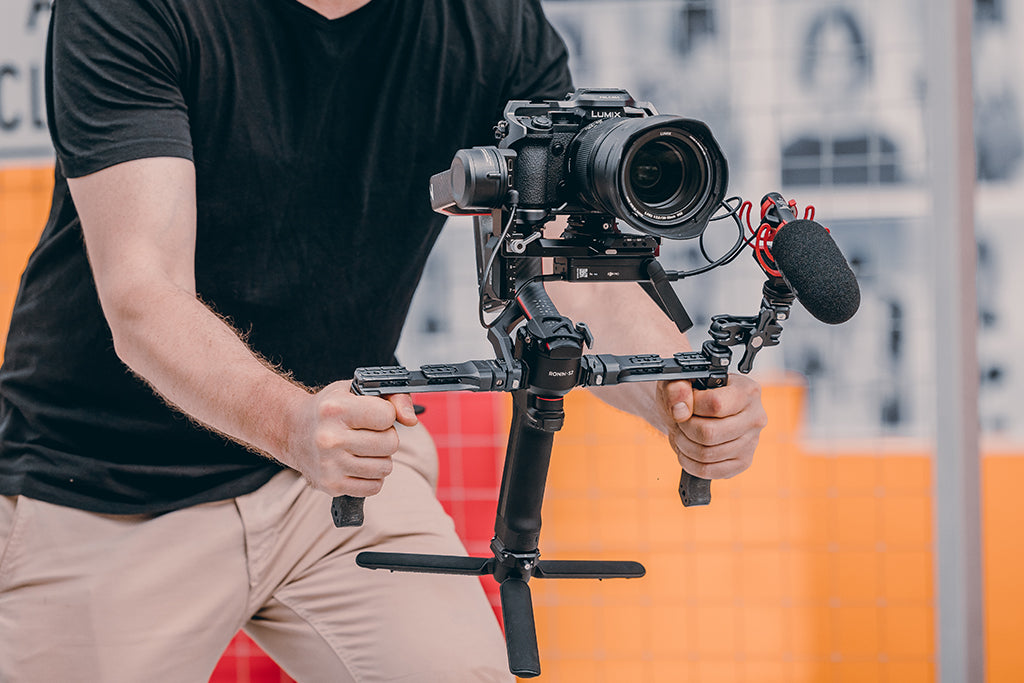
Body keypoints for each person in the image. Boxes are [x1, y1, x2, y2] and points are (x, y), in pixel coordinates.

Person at [0, 0, 767, 680]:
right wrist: (297, 426)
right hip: (104, 486)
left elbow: (563, 261)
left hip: (341, 472)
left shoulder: (492, 24)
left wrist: (675, 390)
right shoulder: (130, 10)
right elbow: (144, 296)